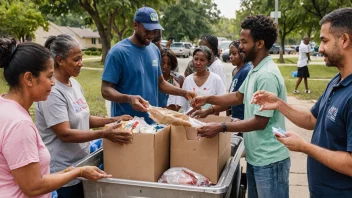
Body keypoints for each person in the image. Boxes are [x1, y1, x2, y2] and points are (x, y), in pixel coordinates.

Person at [251, 8, 352, 197]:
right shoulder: (337, 81)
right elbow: (312, 119)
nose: (319, 48)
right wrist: (279, 103)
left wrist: (304, 147)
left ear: (344, 40)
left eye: (324, 40)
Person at [191, 15, 290, 198]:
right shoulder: (255, 69)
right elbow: (238, 96)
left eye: (244, 42)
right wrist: (209, 103)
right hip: (257, 157)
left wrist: (221, 127)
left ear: (259, 44)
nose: (240, 46)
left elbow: (260, 122)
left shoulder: (266, 75)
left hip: (270, 161)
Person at [0, 38, 112, 198]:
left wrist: (70, 171)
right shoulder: (20, 124)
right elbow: (33, 187)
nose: (53, 83)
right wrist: (78, 172)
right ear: (29, 79)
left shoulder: (5, 106)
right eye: (49, 76)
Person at [35, 34, 133, 198]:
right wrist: (104, 133)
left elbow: (84, 118)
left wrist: (113, 120)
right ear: (60, 60)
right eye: (76, 59)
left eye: (82, 58)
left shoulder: (74, 84)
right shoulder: (52, 91)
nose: (81, 63)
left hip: (81, 166)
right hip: (61, 172)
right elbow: (64, 133)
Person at [101, 6, 195, 124]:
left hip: (152, 123)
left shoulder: (154, 50)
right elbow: (105, 90)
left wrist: (184, 93)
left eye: (155, 31)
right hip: (127, 124)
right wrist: (129, 99)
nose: (151, 35)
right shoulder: (118, 52)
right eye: (147, 30)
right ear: (135, 25)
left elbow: (160, 83)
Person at [191, 40, 251, 121]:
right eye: (230, 54)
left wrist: (208, 102)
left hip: (242, 119)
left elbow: (236, 98)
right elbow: (230, 99)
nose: (231, 56)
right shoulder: (236, 71)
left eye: (234, 54)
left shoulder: (246, 71)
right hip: (235, 117)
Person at [175, 46, 226, 113]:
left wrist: (208, 111)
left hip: (210, 121)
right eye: (196, 59)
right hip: (190, 121)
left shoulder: (216, 79)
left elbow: (223, 102)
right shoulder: (188, 80)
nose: (198, 63)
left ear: (208, 61)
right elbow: (180, 104)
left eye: (202, 60)